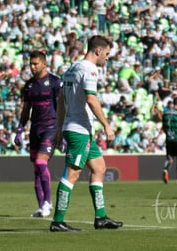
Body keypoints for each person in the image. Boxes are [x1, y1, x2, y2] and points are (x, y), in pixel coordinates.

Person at [50, 35, 123, 232]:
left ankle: (100, 217)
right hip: (79, 129)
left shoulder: (72, 68)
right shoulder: (90, 70)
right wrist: (107, 125)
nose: (107, 58)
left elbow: (61, 100)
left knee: (99, 167)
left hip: (77, 128)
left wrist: (59, 128)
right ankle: (57, 221)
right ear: (98, 51)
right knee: (72, 173)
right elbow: (91, 99)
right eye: (107, 54)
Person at [14, 51, 63, 218]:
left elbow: (61, 108)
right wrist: (20, 129)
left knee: (41, 163)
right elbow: (26, 109)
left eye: (35, 64)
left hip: (51, 128)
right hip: (35, 129)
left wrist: (62, 133)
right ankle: (42, 207)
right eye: (31, 64)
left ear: (44, 64)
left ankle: (48, 202)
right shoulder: (28, 85)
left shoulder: (55, 82)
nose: (32, 67)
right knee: (36, 168)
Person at [161, 96, 177, 184]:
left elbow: (163, 127)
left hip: (168, 139)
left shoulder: (166, 112)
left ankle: (165, 170)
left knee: (170, 158)